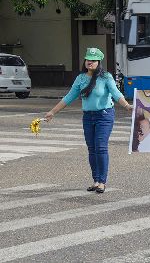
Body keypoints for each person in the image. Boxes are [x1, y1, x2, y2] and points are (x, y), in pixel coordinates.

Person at [44, 47, 133, 193]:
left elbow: (116, 94)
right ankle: (96, 180)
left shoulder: (106, 77)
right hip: (88, 117)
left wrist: (127, 106)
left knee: (101, 147)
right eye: (88, 59)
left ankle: (102, 182)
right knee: (92, 149)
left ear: (99, 62)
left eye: (93, 60)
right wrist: (53, 112)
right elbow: (69, 97)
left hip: (104, 115)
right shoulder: (81, 78)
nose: (89, 62)